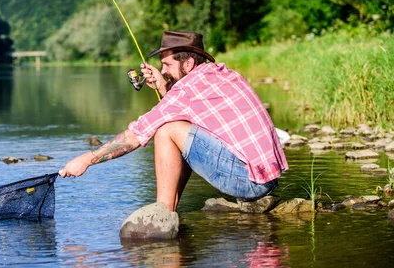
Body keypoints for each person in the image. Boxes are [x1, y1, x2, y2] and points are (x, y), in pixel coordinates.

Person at [60, 30, 288, 211]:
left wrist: (87, 159)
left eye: (167, 65)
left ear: (188, 63)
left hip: (249, 182)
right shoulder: (219, 74)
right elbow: (190, 110)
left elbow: (137, 135)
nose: (164, 70)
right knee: (181, 126)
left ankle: (164, 210)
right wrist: (163, 86)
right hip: (265, 177)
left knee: (166, 130)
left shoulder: (186, 91)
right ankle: (170, 208)